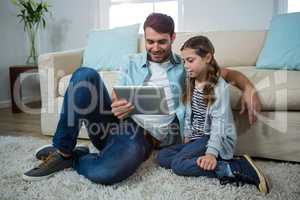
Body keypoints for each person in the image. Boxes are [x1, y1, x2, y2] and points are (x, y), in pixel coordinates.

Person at [23, 13, 262, 185]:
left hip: (140, 137)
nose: (155, 47)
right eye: (150, 41)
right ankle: (63, 151)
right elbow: (117, 93)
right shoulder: (131, 61)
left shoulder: (187, 66)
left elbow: (228, 73)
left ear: (172, 37)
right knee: (85, 75)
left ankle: (76, 157)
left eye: (161, 41)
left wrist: (249, 88)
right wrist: (118, 104)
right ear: (144, 39)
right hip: (115, 124)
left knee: (105, 173)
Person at [157, 35, 269, 194]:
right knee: (163, 156)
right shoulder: (191, 80)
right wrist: (187, 135)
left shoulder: (218, 87)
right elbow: (190, 114)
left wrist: (210, 154)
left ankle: (233, 166)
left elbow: (219, 125)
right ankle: (207, 159)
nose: (186, 66)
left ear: (207, 57)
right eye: (183, 61)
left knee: (178, 165)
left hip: (213, 138)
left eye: (190, 60)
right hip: (197, 139)